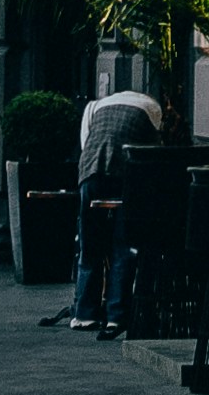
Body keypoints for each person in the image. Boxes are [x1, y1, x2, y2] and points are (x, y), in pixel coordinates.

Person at [65, 83, 165, 341]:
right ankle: (116, 315)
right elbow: (153, 151)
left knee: (89, 245)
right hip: (125, 176)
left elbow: (86, 141)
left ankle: (85, 314)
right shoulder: (151, 108)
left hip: (90, 172)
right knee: (123, 247)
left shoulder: (96, 106)